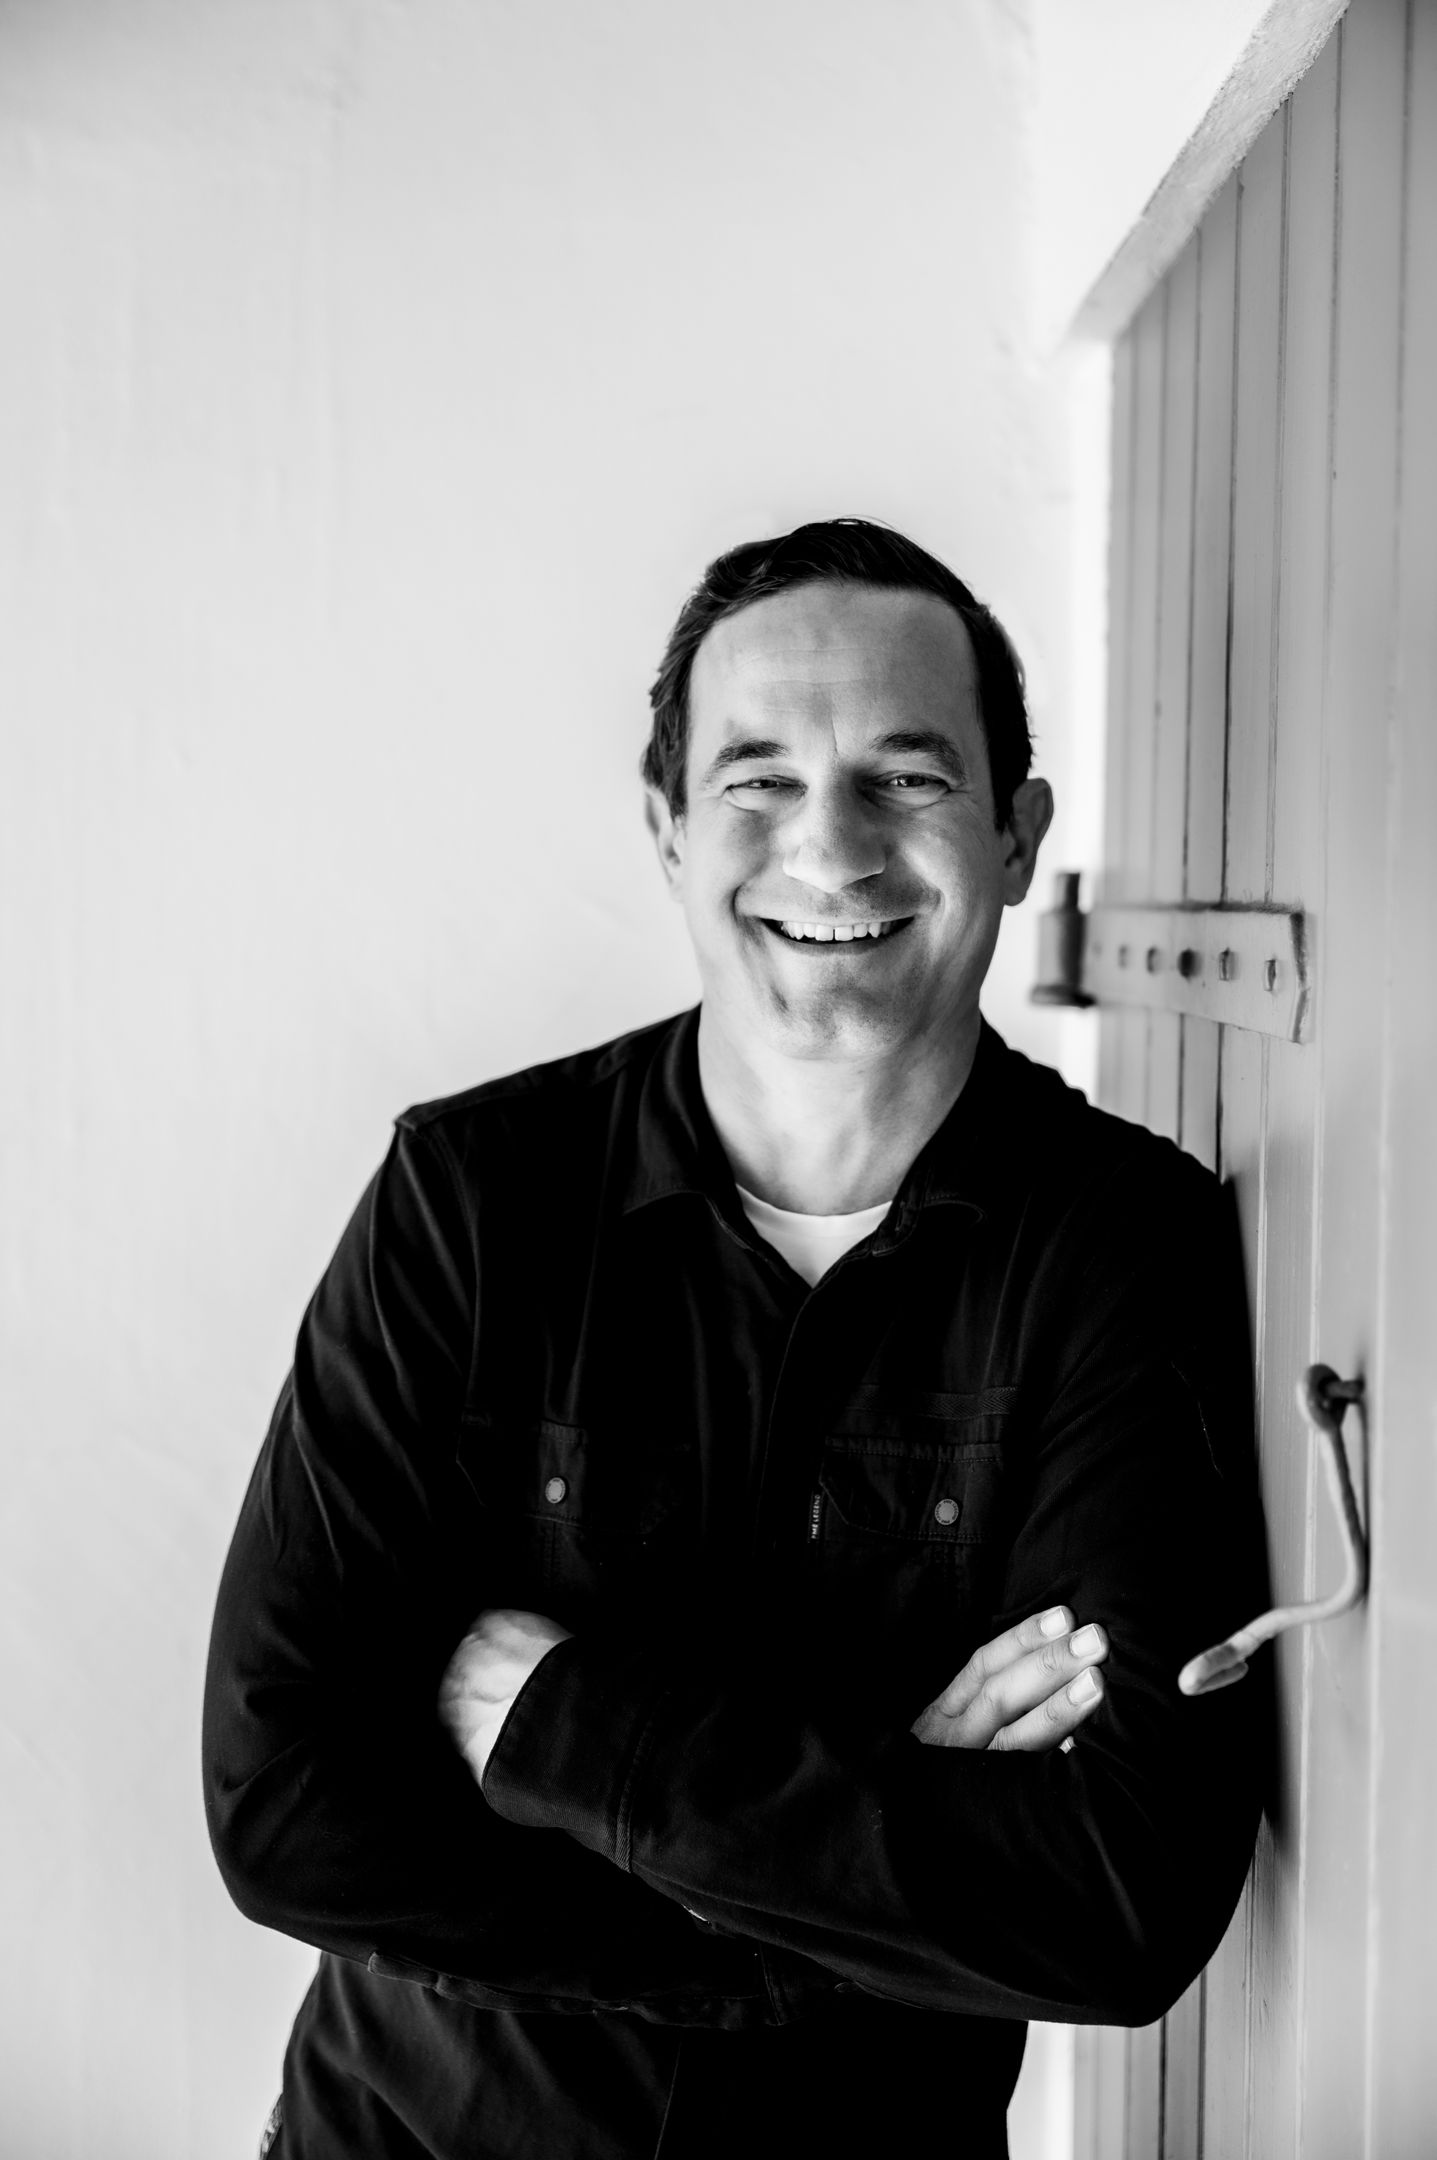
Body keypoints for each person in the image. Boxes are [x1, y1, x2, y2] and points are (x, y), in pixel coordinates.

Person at [204, 519, 1265, 2159]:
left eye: (906, 778)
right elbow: (284, 1805)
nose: (828, 850)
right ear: (668, 830)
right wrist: (812, 1915)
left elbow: (1117, 1903)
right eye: (758, 780)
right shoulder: (472, 1198)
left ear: (1013, 835)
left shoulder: (1122, 1247)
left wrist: (563, 1728)